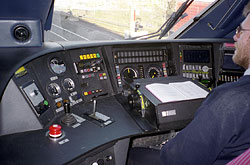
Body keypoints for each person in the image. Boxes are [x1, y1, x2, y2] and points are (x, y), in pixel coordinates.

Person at [160, 2, 250, 164]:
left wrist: (171, 143)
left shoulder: (230, 99)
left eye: (240, 31)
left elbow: (175, 159)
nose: (235, 37)